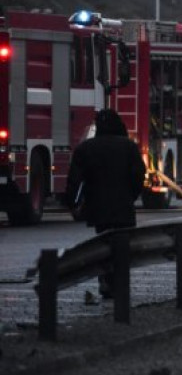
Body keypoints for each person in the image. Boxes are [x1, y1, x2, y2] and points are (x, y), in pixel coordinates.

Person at [66, 108, 146, 298]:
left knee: (104, 247)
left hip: (98, 209)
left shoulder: (85, 149)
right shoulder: (129, 147)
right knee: (122, 250)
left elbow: (74, 182)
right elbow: (138, 177)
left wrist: (75, 205)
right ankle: (119, 285)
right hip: (123, 209)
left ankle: (105, 282)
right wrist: (131, 196)